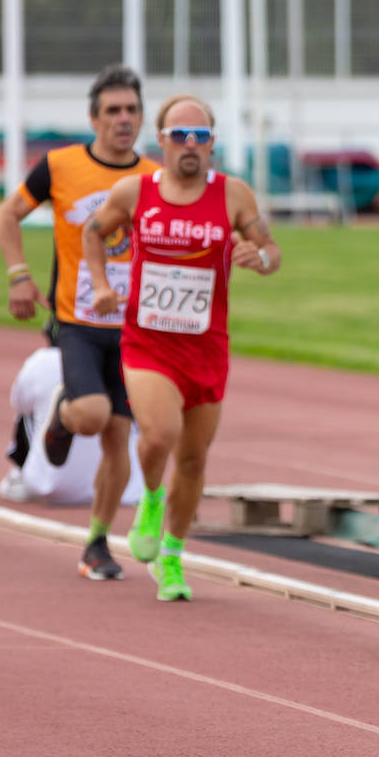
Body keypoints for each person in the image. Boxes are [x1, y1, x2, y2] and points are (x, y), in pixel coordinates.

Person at [83, 93, 282, 602]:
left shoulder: (233, 195)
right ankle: (150, 497)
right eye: (179, 136)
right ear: (162, 141)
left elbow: (272, 249)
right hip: (148, 342)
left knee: (193, 460)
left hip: (207, 347)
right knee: (158, 434)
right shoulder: (135, 191)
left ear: (212, 143)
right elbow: (94, 230)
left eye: (200, 137)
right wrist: (102, 285)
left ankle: (171, 557)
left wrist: (258, 256)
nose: (189, 146)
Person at [0, 64, 158, 580]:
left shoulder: (154, 177)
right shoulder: (60, 166)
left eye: (131, 109)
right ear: (94, 118)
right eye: (113, 110)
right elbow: (8, 214)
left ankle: (97, 544)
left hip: (134, 330)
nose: (123, 119)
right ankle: (63, 417)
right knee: (90, 414)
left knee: (118, 435)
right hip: (79, 322)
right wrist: (19, 276)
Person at [0, 321, 144, 510]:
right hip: (129, 492)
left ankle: (20, 472)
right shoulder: (133, 364)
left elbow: (19, 403)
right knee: (133, 420)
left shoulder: (43, 361)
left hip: (47, 486)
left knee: (28, 412)